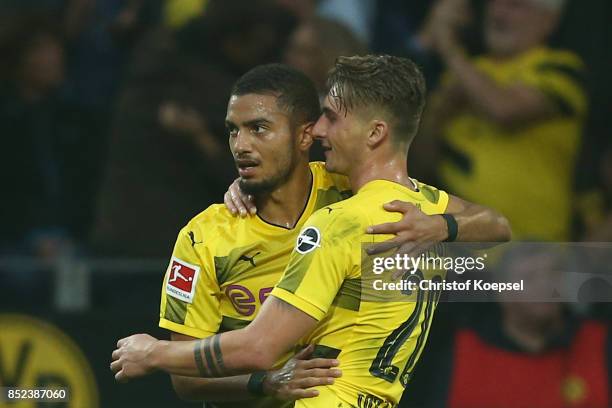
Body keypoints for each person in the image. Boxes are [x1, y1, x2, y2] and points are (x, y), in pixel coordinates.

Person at [111, 58, 511, 407]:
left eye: (259, 129)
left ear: (301, 136)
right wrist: (264, 383)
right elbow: (186, 381)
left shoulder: (347, 205)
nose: (241, 145)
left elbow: (496, 224)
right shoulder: (205, 236)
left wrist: (441, 226)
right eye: (233, 130)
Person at [417, 0, 587, 241]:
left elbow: (504, 110)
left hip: (531, 252)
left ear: (548, 21)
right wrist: (436, 115)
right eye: (495, 3)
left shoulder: (561, 68)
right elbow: (422, 166)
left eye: (515, 5)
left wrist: (448, 46)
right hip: (462, 250)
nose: (498, 12)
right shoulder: (467, 71)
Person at [401, 245, 611, 408]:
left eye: (553, 274)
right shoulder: (456, 349)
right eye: (530, 277)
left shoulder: (600, 342)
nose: (546, 285)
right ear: (502, 291)